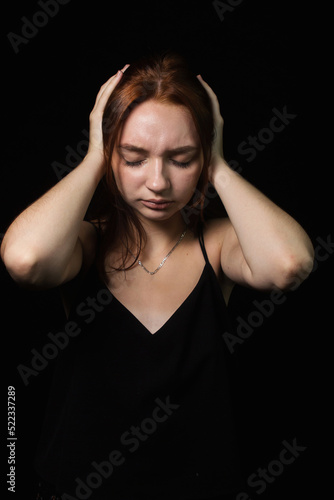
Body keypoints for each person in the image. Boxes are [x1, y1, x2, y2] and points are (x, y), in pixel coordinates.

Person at [1, 52, 314, 500]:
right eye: (133, 158)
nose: (158, 182)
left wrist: (219, 166)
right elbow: (26, 260)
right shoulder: (85, 244)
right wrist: (95, 157)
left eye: (182, 159)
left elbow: (290, 265)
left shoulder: (221, 242)